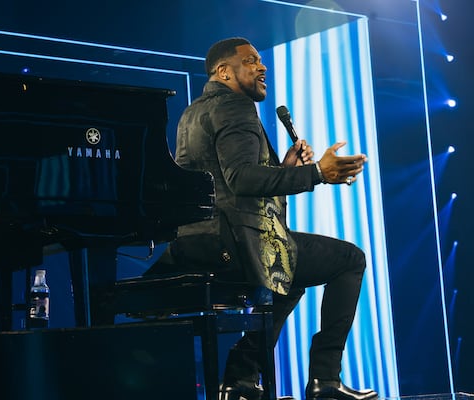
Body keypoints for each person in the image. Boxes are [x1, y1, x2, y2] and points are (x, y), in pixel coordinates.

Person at [144, 37, 378, 400]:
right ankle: (325, 380)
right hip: (234, 243)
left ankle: (241, 379)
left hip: (198, 241)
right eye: (250, 61)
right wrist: (317, 172)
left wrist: (284, 169)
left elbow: (226, 182)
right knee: (350, 259)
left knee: (293, 273)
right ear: (224, 71)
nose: (262, 66)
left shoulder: (194, 112)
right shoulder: (236, 107)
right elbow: (242, 179)